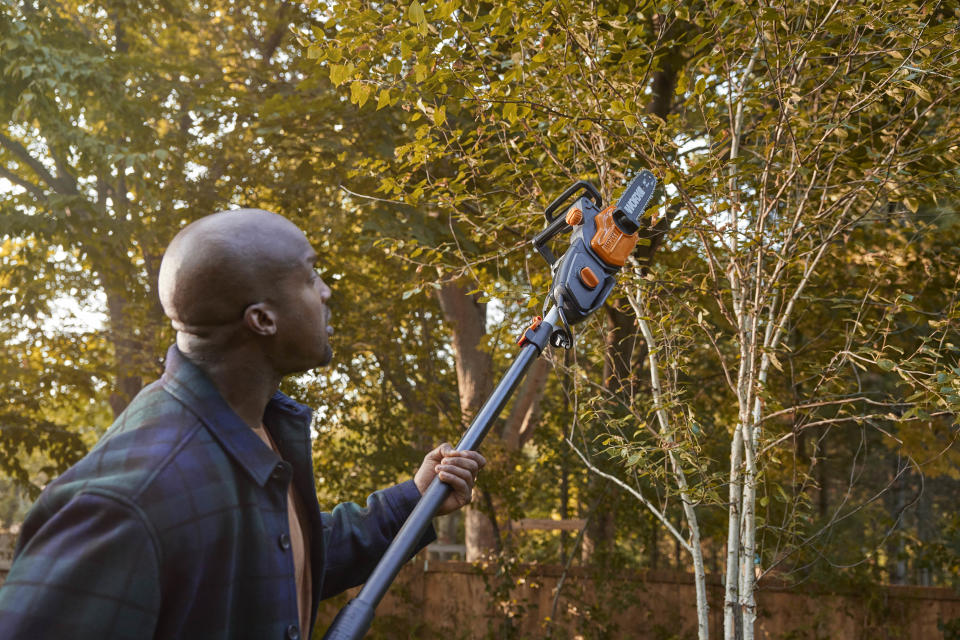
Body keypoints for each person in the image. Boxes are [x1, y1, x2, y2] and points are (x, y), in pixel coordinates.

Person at [0, 209, 485, 639]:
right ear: (262, 319)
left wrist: (412, 501)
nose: (326, 289)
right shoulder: (127, 503)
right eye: (310, 273)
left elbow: (281, 559)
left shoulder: (256, 430)